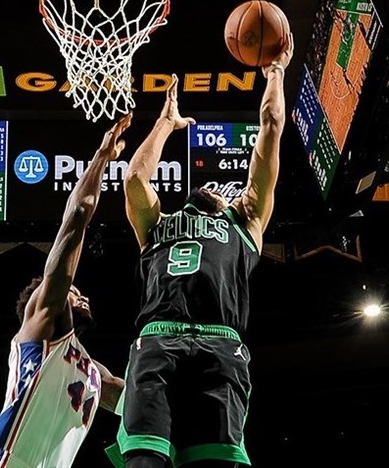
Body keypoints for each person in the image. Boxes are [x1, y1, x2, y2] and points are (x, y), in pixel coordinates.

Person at [107, 34, 294, 468]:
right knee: (143, 461)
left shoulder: (245, 220)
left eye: (221, 190)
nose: (212, 189)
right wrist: (165, 124)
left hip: (220, 344)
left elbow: (271, 126)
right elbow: (134, 180)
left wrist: (275, 73)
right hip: (158, 340)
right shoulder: (156, 224)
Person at [0, 113, 131, 468]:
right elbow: (77, 216)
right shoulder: (41, 325)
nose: (82, 296)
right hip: (5, 460)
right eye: (74, 291)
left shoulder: (91, 369)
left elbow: (126, 397)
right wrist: (101, 157)